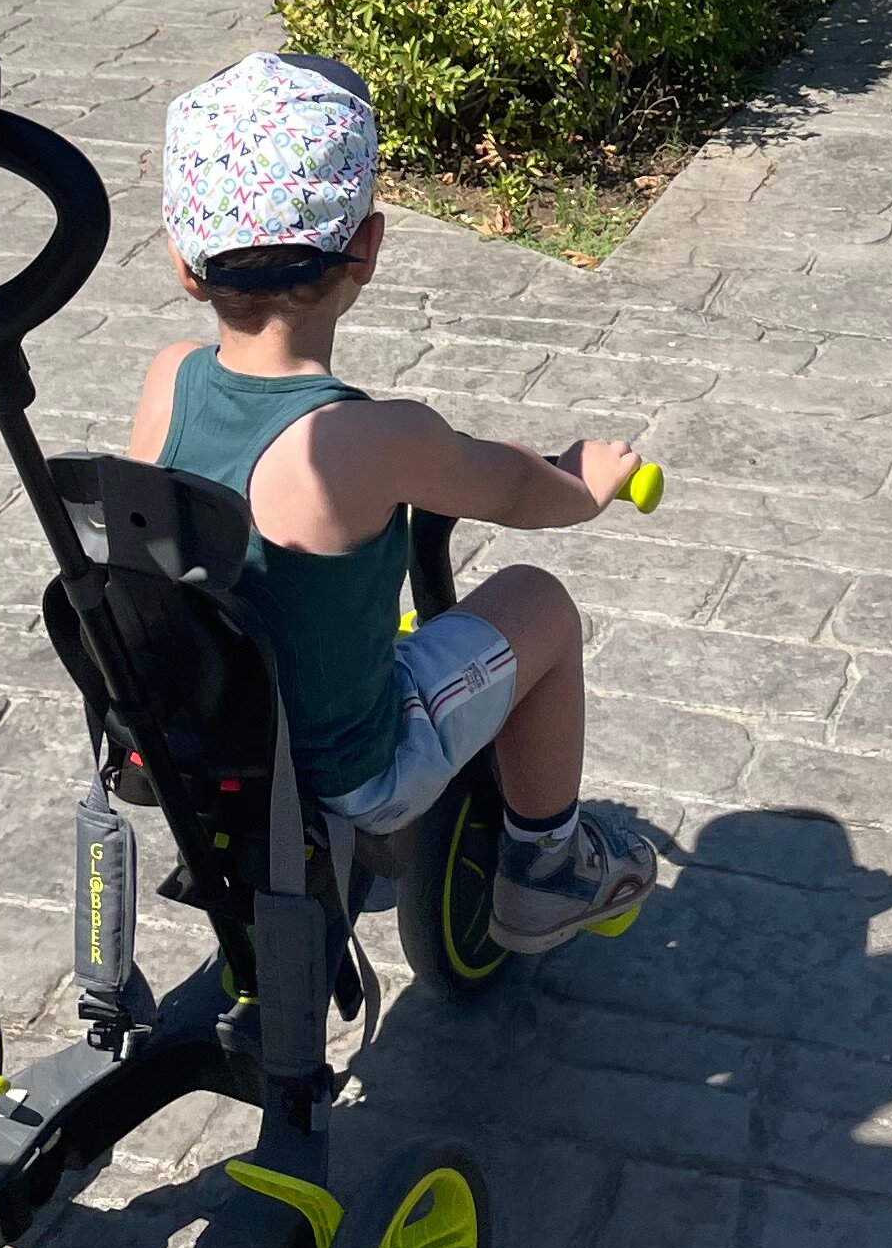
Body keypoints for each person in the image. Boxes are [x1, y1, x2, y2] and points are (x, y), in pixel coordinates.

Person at [133, 54, 659, 950]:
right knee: (537, 603)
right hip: (346, 774)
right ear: (368, 247)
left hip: (200, 747)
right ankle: (547, 868)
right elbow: (512, 486)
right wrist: (585, 483)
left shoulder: (168, 380)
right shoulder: (371, 439)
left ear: (186, 263)